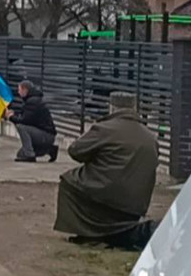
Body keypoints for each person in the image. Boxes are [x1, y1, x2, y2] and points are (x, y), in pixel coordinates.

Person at [55, 91, 159, 250]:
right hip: (136, 203)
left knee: (69, 181)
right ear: (134, 108)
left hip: (106, 195)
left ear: (111, 107)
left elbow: (75, 151)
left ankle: (88, 231)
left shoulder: (105, 128)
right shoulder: (149, 136)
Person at [9, 81, 58, 163]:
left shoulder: (32, 101)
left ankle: (30, 155)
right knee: (20, 154)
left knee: (21, 127)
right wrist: (14, 115)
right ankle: (49, 150)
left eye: (19, 90)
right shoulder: (32, 100)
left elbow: (24, 121)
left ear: (25, 90)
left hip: (46, 135)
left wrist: (10, 117)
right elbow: (27, 117)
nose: (18, 92)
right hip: (45, 134)